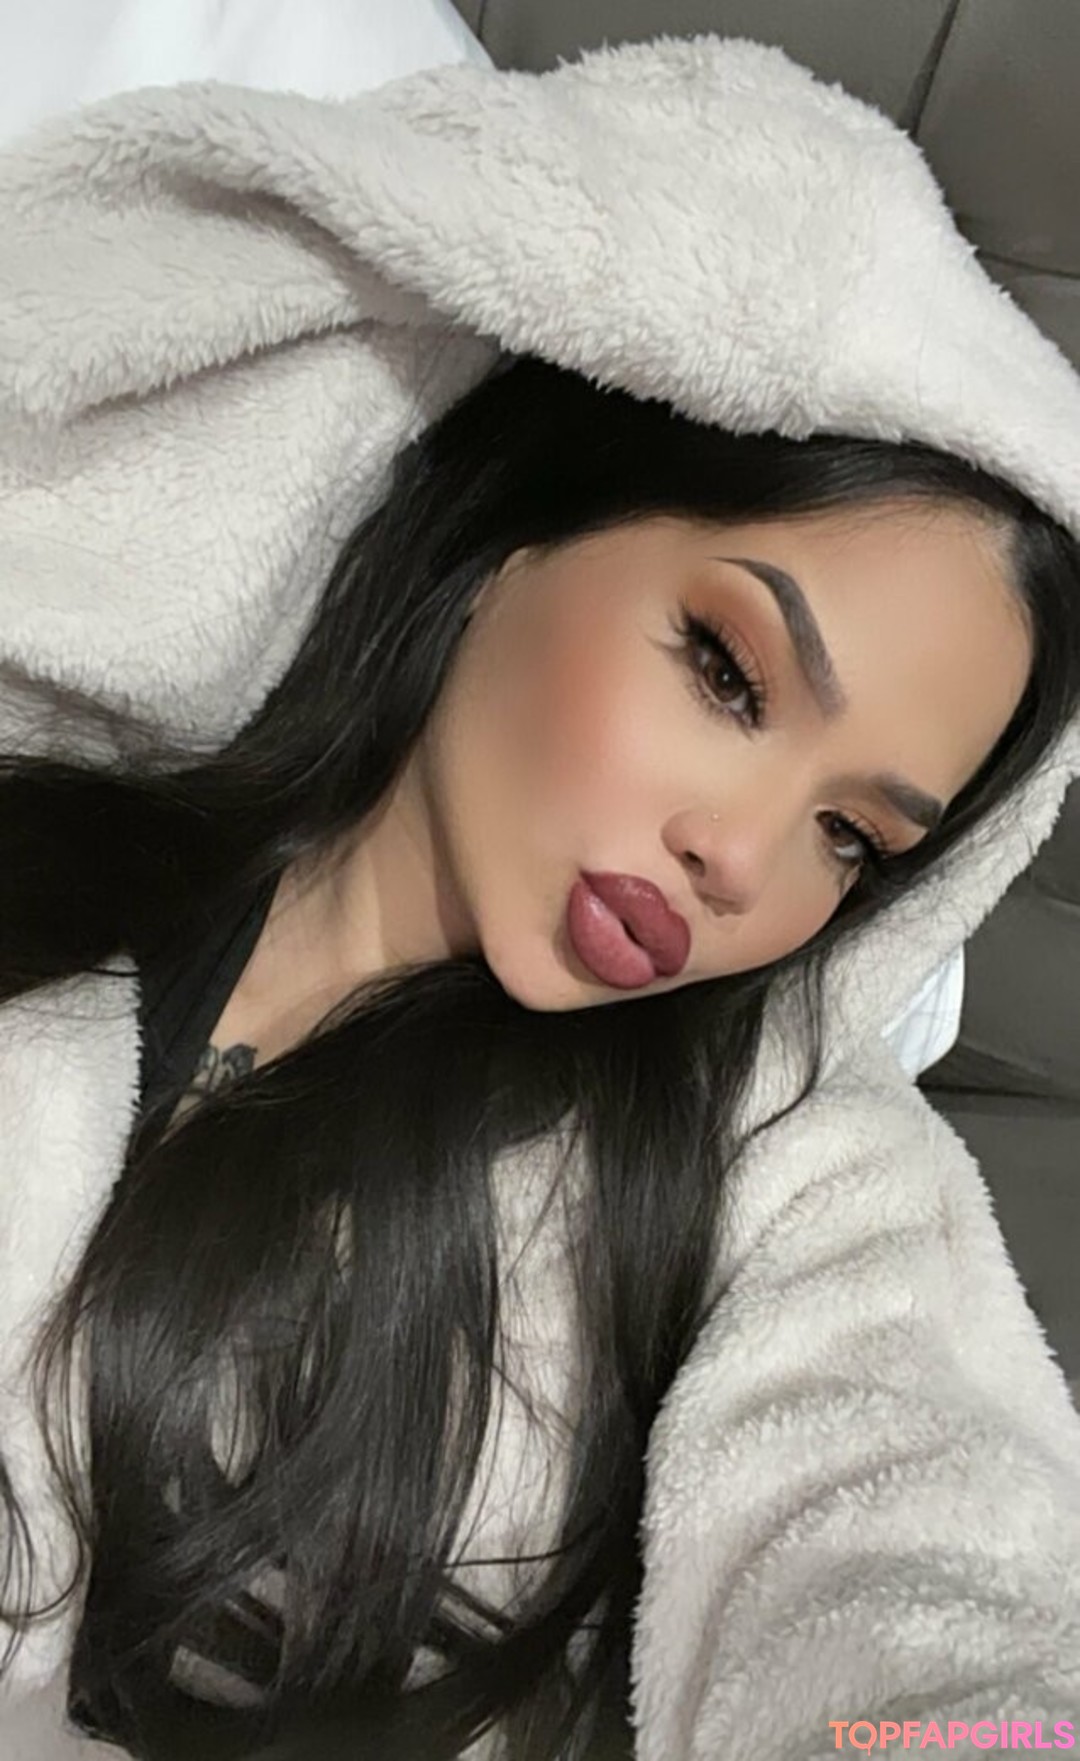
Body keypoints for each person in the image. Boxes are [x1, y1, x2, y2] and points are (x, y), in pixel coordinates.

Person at [1, 34, 1079, 1761]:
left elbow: (921, 1571)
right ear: (515, 525)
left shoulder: (776, 1161)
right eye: (728, 671)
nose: (748, 862)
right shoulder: (52, 835)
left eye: (854, 838)